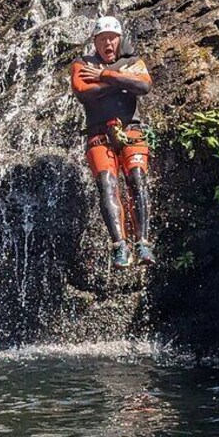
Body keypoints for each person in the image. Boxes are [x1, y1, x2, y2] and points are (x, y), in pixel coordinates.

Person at [70, 16, 155, 269]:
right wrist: (119, 79)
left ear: (120, 40)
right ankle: (120, 246)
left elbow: (143, 85)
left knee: (137, 178)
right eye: (102, 39)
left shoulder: (133, 61)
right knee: (107, 183)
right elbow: (83, 92)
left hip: (132, 132)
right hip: (99, 135)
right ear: (94, 42)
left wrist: (104, 75)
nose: (107, 43)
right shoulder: (82, 63)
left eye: (112, 38)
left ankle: (143, 243)